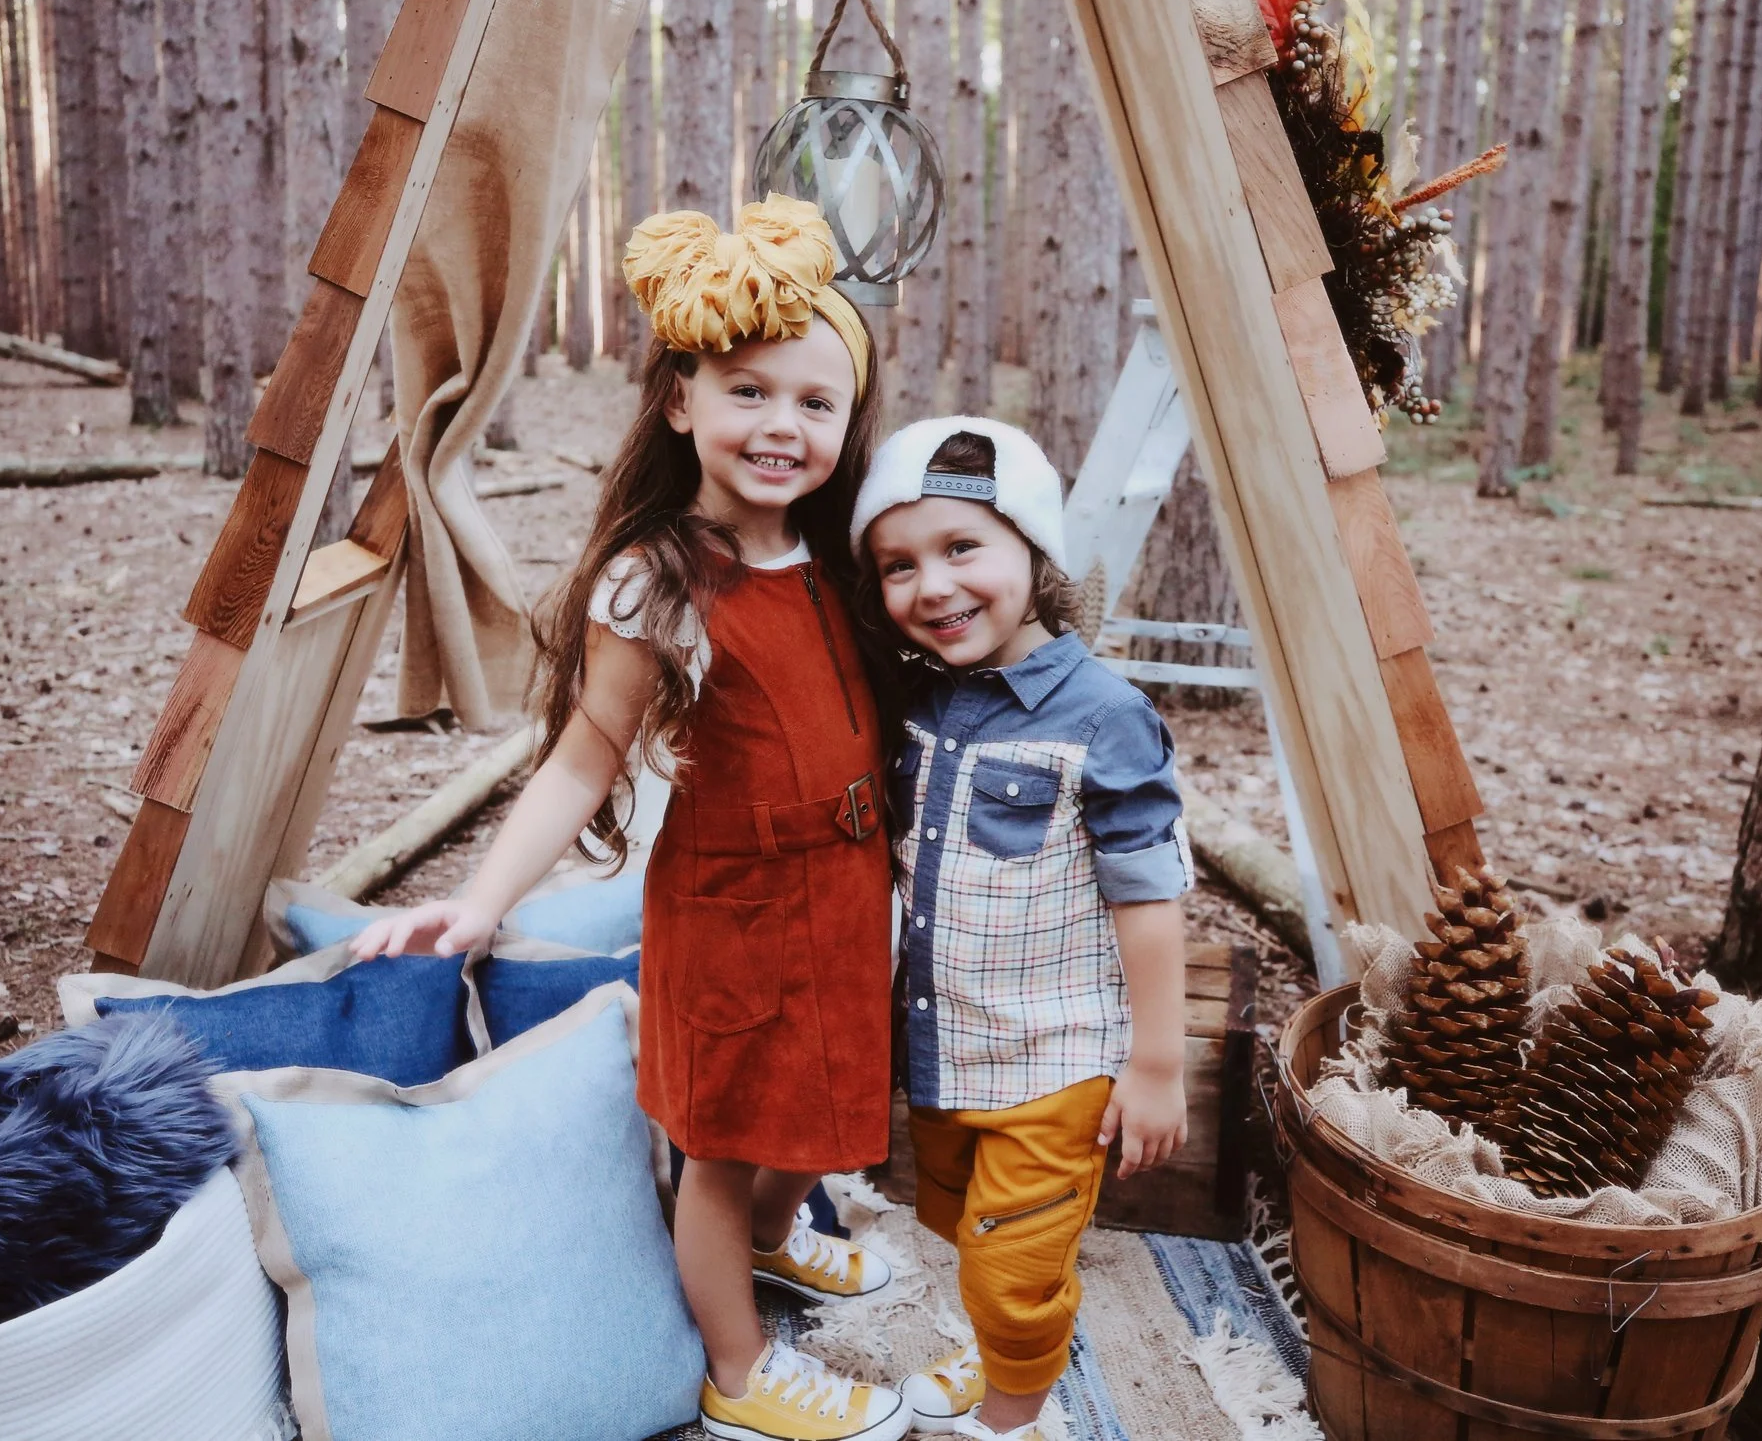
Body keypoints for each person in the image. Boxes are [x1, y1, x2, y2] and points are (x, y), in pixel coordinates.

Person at [353, 197, 914, 1441]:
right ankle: (739, 1367)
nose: (780, 425)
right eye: (747, 391)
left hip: (844, 888)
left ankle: (776, 1240)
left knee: (818, 1101)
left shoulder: (839, 556)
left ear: (845, 425)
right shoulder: (658, 581)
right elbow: (581, 760)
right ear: (680, 401)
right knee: (721, 1140)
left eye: (813, 404)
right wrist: (482, 899)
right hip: (735, 903)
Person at [850, 419, 1190, 1441]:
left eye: (963, 548)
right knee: (955, 1225)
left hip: (1056, 1059)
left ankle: (1012, 1420)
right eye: (897, 565)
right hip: (947, 1044)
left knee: (1011, 1269)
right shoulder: (920, 696)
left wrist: (1159, 1061)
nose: (932, 586)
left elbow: (1148, 891)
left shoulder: (1102, 714)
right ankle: (998, 1353)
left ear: (1032, 552)